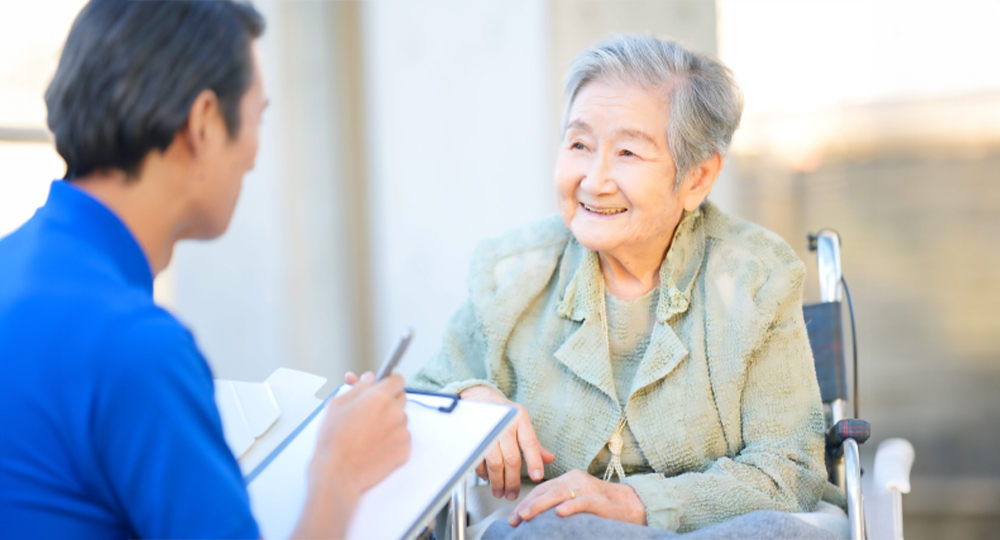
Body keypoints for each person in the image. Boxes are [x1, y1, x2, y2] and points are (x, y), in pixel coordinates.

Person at [0, 2, 409, 539]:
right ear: (204, 122)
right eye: (257, 119)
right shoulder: (135, 348)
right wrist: (339, 468)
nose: (254, 157)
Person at [410, 35, 844, 539]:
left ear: (697, 178)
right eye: (579, 145)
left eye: (627, 153)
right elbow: (415, 403)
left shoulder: (755, 278)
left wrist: (634, 501)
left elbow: (787, 470)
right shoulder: (512, 272)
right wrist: (470, 401)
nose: (594, 180)